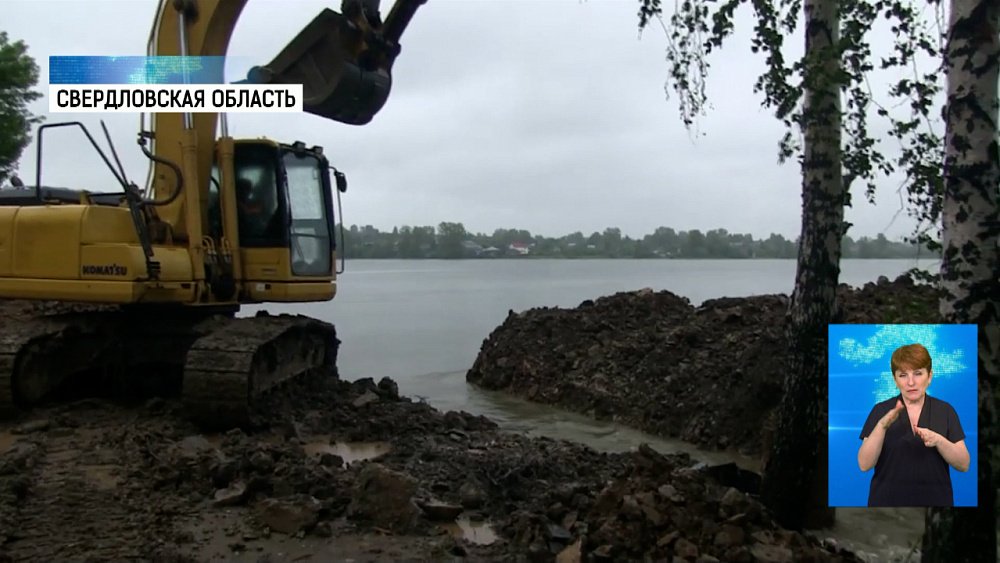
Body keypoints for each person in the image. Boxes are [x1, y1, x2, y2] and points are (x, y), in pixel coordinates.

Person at [857, 343, 970, 506]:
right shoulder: (880, 410)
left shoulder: (945, 410)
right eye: (903, 375)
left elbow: (964, 464)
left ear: (929, 376)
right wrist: (881, 426)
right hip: (887, 504)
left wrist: (939, 441)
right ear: (895, 380)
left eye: (918, 373)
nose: (911, 382)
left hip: (935, 503)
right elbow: (864, 464)